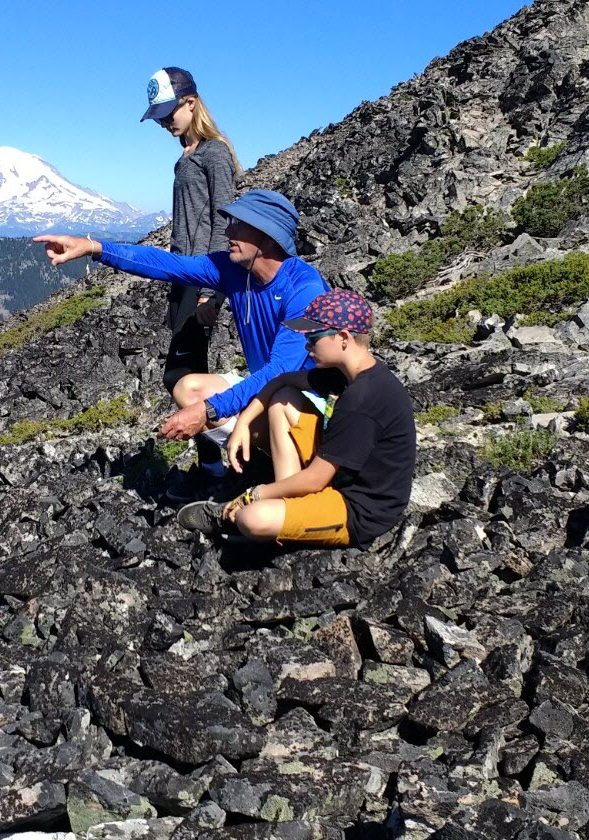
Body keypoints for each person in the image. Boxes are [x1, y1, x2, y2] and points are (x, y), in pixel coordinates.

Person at [34, 189, 329, 497]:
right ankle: (244, 469)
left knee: (280, 394)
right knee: (188, 388)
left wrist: (209, 410)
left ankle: (293, 490)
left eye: (239, 226)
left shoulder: (304, 289)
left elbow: (281, 371)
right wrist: (93, 248)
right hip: (270, 396)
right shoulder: (233, 270)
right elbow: (169, 265)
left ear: (269, 237)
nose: (228, 231)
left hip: (311, 408)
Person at [177, 288, 416, 548]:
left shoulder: (362, 399)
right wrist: (243, 423)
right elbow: (283, 380)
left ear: (343, 338)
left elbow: (315, 479)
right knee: (284, 398)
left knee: (253, 518)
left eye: (313, 337)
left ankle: (260, 519)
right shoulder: (346, 374)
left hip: (359, 508)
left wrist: (253, 495)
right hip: (338, 474)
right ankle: (288, 504)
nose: (307, 345)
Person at [140, 66, 242, 395]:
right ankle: (220, 444)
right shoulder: (186, 156)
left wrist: (211, 290)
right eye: (159, 116)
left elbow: (223, 219)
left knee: (180, 377)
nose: (164, 122)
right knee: (192, 372)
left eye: (169, 113)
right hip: (182, 274)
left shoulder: (214, 152)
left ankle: (240, 428)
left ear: (191, 103)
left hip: (201, 274)